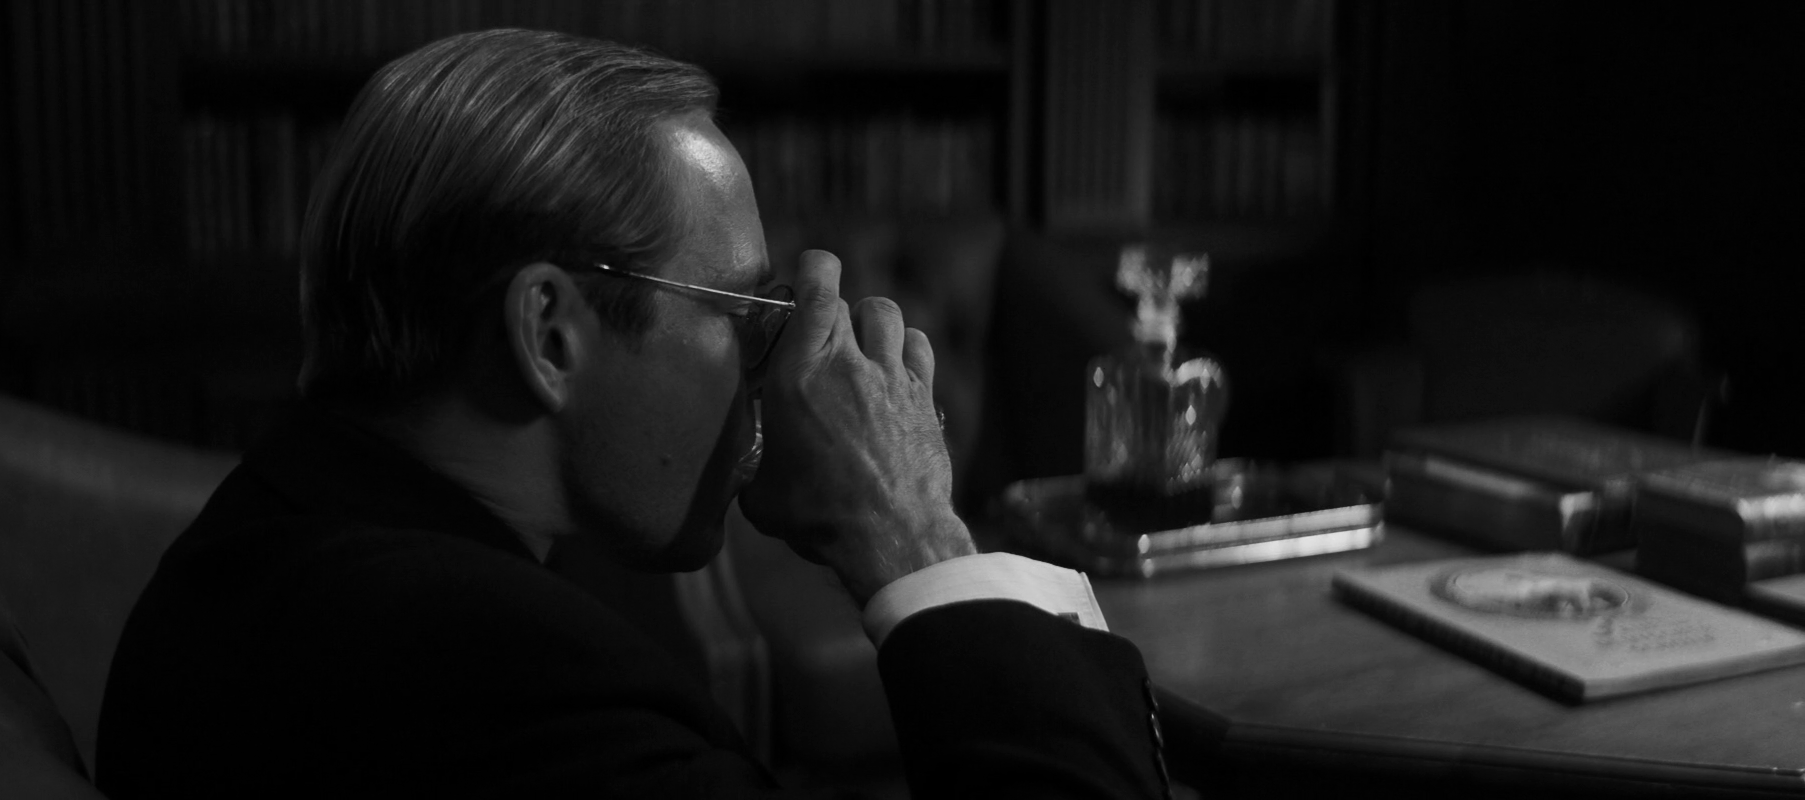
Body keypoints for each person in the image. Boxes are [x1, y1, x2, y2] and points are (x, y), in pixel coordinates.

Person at [97, 29, 1169, 799]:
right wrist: (912, 529)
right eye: (741, 312)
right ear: (550, 333)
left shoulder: (269, 543)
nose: (775, 365)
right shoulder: (488, 677)